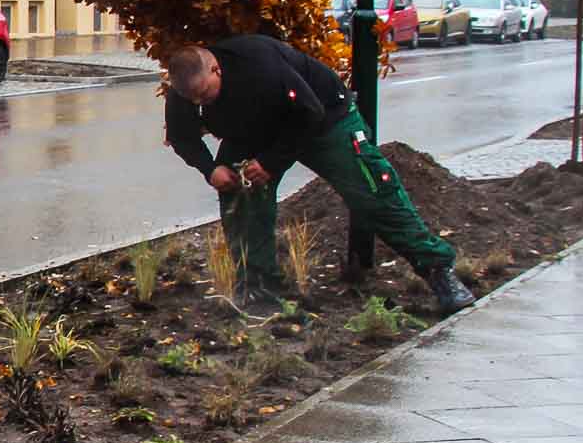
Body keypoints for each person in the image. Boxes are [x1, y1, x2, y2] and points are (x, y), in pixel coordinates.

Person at [163, 35, 476, 314]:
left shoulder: (261, 65)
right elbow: (182, 136)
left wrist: (270, 162)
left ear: (216, 69)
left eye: (204, 95)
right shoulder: (185, 86)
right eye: (193, 100)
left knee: (372, 192)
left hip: (324, 120)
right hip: (252, 133)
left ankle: (438, 271)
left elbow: (310, 113)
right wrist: (210, 169)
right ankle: (258, 289)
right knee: (239, 196)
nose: (200, 103)